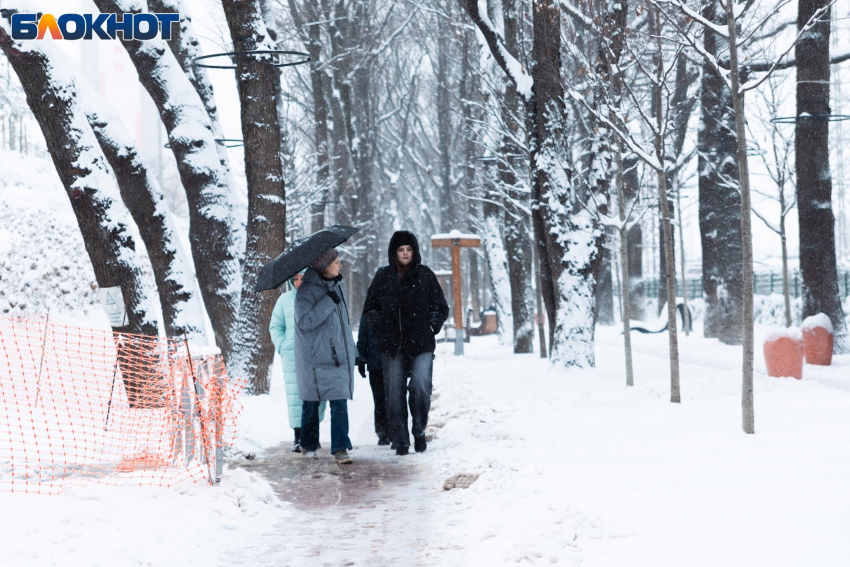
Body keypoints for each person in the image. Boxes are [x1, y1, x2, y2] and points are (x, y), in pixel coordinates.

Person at [362, 231, 449, 455]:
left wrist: (431, 326)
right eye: (401, 250)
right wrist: (380, 326)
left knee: (420, 386)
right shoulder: (383, 276)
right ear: (394, 252)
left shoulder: (425, 275)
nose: (405, 254)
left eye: (408, 250)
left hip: (421, 343)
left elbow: (440, 307)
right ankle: (401, 440)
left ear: (414, 251)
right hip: (392, 345)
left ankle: (419, 431)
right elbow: (370, 308)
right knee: (394, 392)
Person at [294, 248, 356, 464]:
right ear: (324, 266)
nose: (340, 265)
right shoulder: (305, 291)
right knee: (311, 402)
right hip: (314, 359)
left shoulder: (337, 287)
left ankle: (340, 448)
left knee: (339, 402)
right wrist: (327, 302)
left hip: (338, 357)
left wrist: (352, 351)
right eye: (336, 262)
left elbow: (345, 326)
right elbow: (305, 322)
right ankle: (308, 445)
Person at [268, 270, 326, 452]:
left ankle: (313, 436)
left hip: (315, 354)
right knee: (295, 396)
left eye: (303, 279)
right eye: (295, 279)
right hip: (292, 354)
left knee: (316, 395)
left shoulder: (317, 297)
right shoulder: (284, 300)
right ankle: (298, 437)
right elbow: (275, 326)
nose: (299, 282)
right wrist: (283, 345)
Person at [356, 314, 388, 445]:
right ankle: (384, 432)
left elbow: (363, 336)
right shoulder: (369, 311)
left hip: (390, 361)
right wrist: (361, 359)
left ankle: (389, 432)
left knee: (389, 399)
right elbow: (363, 336)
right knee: (381, 399)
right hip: (376, 362)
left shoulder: (395, 303)